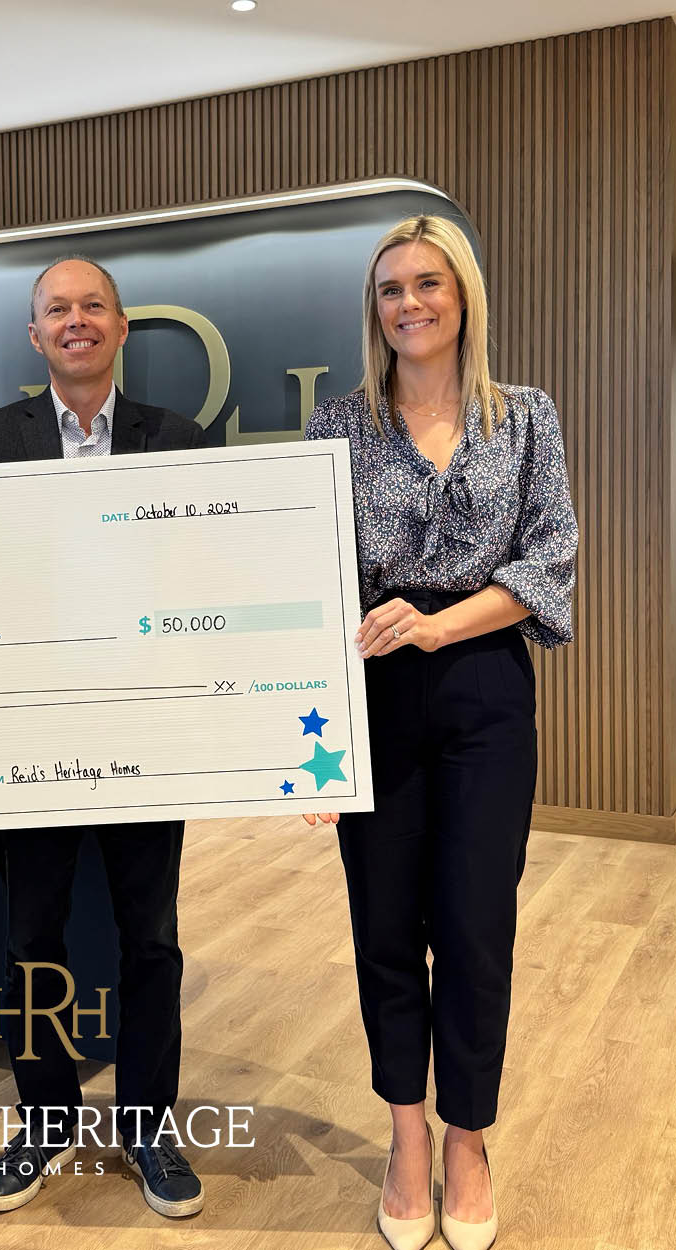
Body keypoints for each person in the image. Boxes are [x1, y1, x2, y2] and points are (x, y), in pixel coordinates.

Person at [303, 216, 577, 1250]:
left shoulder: (526, 418)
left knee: (471, 923)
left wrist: (438, 621)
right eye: (387, 289)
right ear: (372, 310)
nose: (407, 303)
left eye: (425, 283)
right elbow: (303, 579)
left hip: (482, 692)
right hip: (371, 695)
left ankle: (467, 1137)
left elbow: (548, 554)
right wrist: (308, 739)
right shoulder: (334, 423)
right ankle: (404, 1136)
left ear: (461, 295)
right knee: (382, 924)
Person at [0, 255, 207, 1218]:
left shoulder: (177, 442)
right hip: (29, 737)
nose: (75, 321)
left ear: (121, 325)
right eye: (56, 309)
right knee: (30, 939)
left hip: (142, 733)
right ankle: (46, 1120)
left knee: (150, 940)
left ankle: (150, 1127)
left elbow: (204, 577)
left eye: (91, 305)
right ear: (35, 335)